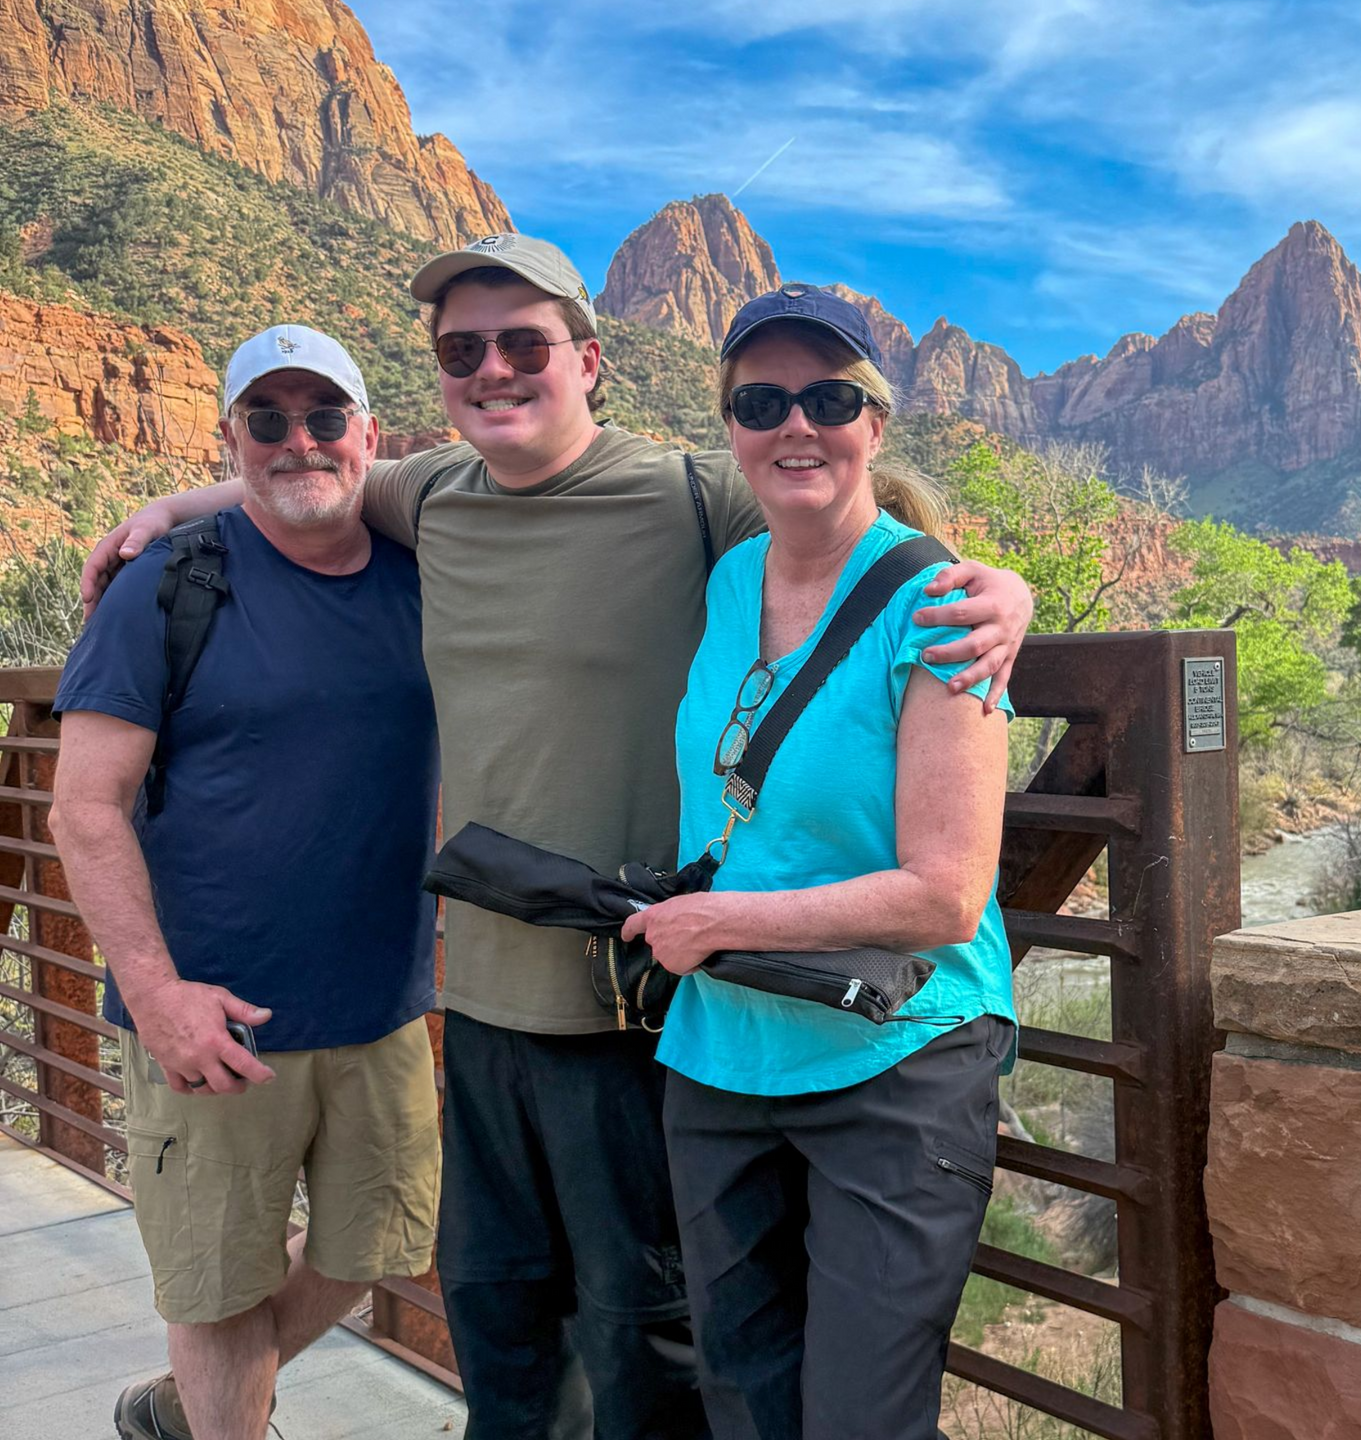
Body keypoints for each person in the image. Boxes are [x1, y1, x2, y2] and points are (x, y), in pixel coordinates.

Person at [82, 236, 1034, 1440]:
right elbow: (305, 474)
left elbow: (856, 523)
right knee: (500, 1315)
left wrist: (1000, 591)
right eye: (463, 351)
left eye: (524, 344)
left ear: (589, 361)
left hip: (644, 999)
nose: (495, 369)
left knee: (649, 1340)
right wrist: (174, 504)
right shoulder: (429, 493)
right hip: (481, 997)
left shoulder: (695, 493)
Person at [618, 286, 1016, 1440]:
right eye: (762, 400)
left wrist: (725, 926)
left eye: (829, 396)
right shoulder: (731, 580)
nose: (797, 423)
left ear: (874, 423)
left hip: (894, 1058)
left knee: (861, 1419)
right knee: (742, 1397)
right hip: (726, 1049)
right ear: (732, 427)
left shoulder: (943, 604)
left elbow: (947, 893)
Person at [51, 326, 441, 1440]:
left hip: (382, 1007)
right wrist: (158, 993)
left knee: (379, 1249)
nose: (297, 440)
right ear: (230, 437)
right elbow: (84, 805)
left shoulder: (424, 571)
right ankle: (226, 1415)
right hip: (209, 1018)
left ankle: (191, 1412)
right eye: (265, 421)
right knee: (216, 1286)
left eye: (324, 417)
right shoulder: (168, 587)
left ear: (369, 434)